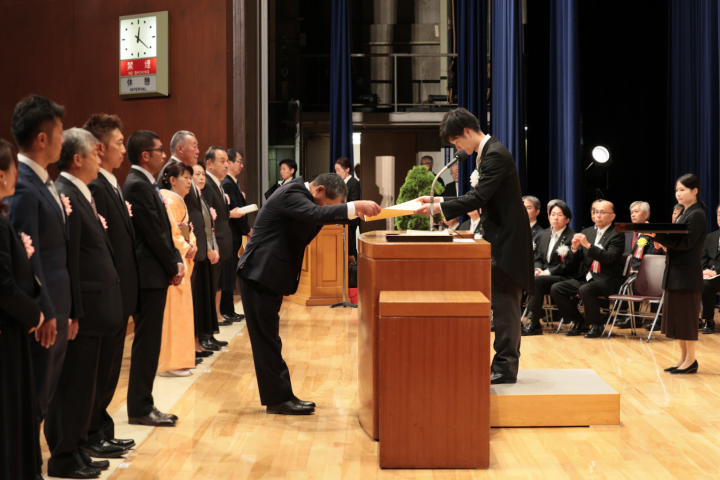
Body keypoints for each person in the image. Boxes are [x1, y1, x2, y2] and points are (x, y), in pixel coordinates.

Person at [237, 174, 380, 414]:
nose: (326, 211)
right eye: (328, 206)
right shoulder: (292, 192)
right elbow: (316, 214)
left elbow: (317, 217)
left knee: (270, 340)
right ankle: (278, 400)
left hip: (267, 275)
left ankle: (281, 397)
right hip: (258, 274)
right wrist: (355, 206)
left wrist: (351, 213)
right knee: (266, 341)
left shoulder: (304, 200)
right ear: (319, 190)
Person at [414, 108, 534, 385]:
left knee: (506, 304)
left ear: (467, 132)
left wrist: (438, 207)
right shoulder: (487, 153)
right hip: (500, 237)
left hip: (508, 241)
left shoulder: (495, 154)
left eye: (457, 142)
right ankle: (502, 365)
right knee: (502, 303)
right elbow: (478, 195)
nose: (458, 148)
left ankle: (505, 369)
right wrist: (437, 201)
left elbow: (478, 198)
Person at [48, 128, 124, 478]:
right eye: (95, 153)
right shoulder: (65, 194)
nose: (100, 157)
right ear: (77, 159)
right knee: (73, 387)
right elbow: (71, 263)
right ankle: (64, 456)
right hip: (85, 309)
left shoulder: (80, 193)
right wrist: (74, 312)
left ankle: (77, 449)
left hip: (96, 307)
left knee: (85, 387)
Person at [7, 95, 74, 473]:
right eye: (60, 132)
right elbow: (26, 258)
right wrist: (44, 310)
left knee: (43, 399)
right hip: (44, 313)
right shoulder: (23, 184)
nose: (64, 140)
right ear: (42, 138)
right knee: (32, 401)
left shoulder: (42, 180)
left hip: (58, 307)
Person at [84, 114, 138, 456]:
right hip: (108, 295)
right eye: (119, 143)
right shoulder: (95, 187)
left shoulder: (111, 184)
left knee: (110, 369)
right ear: (100, 148)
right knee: (101, 370)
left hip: (121, 294)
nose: (124, 149)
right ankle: (93, 433)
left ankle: (102, 428)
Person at [123, 130, 183, 427]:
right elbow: (153, 233)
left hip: (153, 272)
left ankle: (144, 404)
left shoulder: (144, 183)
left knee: (150, 343)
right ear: (145, 155)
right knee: (147, 344)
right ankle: (140, 407)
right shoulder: (137, 184)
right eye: (160, 150)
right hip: (148, 274)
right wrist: (173, 264)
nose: (164, 154)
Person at [0, 138, 44, 480]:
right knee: (9, 413)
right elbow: (3, 286)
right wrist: (35, 313)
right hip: (7, 333)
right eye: (14, 166)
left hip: (12, 329)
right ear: (2, 175)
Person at [652, 174, 707, 374]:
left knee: (687, 319)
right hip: (676, 272)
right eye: (677, 190)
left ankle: (690, 360)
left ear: (695, 191)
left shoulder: (697, 214)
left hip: (687, 274)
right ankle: (683, 358)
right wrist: (658, 236)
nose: (678, 193)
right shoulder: (685, 212)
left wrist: (658, 236)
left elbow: (685, 243)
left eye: (682, 189)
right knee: (679, 319)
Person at [550, 200, 625, 338]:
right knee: (557, 288)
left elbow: (609, 258)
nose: (598, 215)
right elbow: (576, 262)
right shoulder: (587, 232)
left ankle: (596, 325)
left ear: (612, 216)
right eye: (595, 212)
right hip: (588, 277)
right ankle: (579, 321)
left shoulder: (617, 234)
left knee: (585, 289)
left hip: (607, 280)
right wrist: (574, 249)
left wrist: (588, 246)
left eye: (602, 212)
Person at [158, 162, 197, 377]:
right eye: (186, 177)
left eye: (190, 178)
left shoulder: (177, 200)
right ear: (172, 180)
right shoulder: (167, 199)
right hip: (175, 259)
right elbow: (171, 231)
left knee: (182, 312)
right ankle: (170, 362)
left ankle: (181, 359)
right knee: (174, 312)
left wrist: (192, 244)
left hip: (183, 256)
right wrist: (185, 246)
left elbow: (187, 230)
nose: (190, 182)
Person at [203, 146, 245, 342]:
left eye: (228, 161)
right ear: (209, 164)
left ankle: (215, 322)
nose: (226, 164)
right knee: (213, 285)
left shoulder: (218, 183)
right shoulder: (208, 184)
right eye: (223, 161)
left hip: (221, 242)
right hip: (214, 244)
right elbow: (208, 217)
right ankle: (209, 327)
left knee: (218, 283)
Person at [521, 201, 577, 336]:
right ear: (548, 217)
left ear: (567, 219)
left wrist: (546, 272)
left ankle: (534, 322)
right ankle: (529, 321)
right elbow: (539, 258)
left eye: (560, 215)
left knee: (537, 281)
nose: (555, 218)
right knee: (533, 278)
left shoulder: (572, 236)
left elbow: (569, 265)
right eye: (553, 214)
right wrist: (537, 269)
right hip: (546, 277)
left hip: (566, 276)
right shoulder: (545, 235)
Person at [190, 162, 221, 357]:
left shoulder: (200, 196)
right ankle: (199, 338)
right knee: (199, 298)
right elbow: (198, 227)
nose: (201, 177)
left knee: (207, 295)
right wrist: (209, 248)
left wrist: (214, 247)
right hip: (199, 252)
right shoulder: (191, 198)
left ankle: (205, 336)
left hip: (208, 250)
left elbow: (209, 228)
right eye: (197, 174)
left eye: (203, 174)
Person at [220, 149, 250, 323]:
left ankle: (229, 309)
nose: (242, 165)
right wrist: (247, 229)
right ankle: (226, 310)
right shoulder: (227, 183)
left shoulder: (232, 182)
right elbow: (233, 211)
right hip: (230, 234)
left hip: (234, 235)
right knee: (228, 274)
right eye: (239, 161)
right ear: (229, 163)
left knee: (231, 274)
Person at [334, 157, 360, 262]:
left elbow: (354, 200)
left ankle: (352, 266)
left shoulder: (354, 183)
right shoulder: (340, 183)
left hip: (351, 218)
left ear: (347, 169)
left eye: (339, 170)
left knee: (349, 245)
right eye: (336, 171)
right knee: (343, 245)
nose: (337, 173)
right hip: (342, 217)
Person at [699, 204, 720, 334]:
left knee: (708, 283)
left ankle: (708, 320)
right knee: (703, 282)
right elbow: (702, 257)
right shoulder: (710, 237)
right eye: (719, 214)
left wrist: (716, 272)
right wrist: (704, 271)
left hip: (718, 274)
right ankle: (706, 320)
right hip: (709, 276)